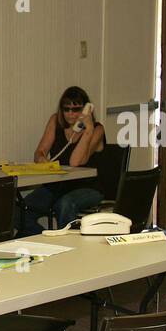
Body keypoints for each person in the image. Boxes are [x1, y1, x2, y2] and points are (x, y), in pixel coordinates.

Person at [18, 86, 107, 236]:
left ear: (86, 110)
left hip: (89, 187)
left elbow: (75, 162)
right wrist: (41, 159)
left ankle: (70, 249)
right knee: (19, 210)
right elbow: (39, 152)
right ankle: (49, 240)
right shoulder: (55, 121)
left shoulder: (97, 130)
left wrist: (88, 130)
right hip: (58, 185)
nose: (71, 114)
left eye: (76, 109)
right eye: (66, 109)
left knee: (65, 204)